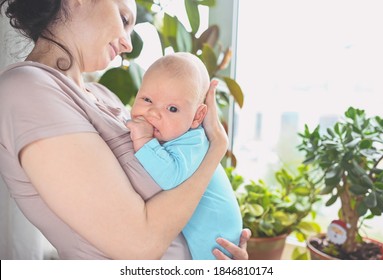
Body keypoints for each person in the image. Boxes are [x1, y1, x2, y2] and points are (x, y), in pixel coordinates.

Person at [0, 0, 250, 260]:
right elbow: (140, 246)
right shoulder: (28, 90)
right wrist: (216, 150)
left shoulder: (103, 96)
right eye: (123, 18)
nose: (128, 45)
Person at [126, 52, 243, 260]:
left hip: (216, 241)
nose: (153, 113)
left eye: (172, 108)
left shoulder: (193, 142)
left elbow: (170, 177)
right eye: (146, 99)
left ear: (197, 116)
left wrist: (144, 141)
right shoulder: (175, 133)